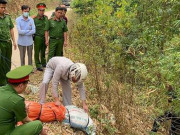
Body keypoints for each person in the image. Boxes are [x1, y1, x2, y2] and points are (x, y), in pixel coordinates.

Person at [0, 65, 47, 135]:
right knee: (38, 124)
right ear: (20, 85)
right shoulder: (17, 100)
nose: (26, 87)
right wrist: (41, 129)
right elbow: (25, 121)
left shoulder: (1, 89)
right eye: (26, 84)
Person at [0, 0, 16, 86]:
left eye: (4, 7)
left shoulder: (7, 17)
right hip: (1, 43)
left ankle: (8, 79)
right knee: (1, 63)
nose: (3, 9)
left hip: (8, 42)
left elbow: (11, 29)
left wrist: (14, 41)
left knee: (8, 61)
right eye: (1, 7)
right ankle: (2, 82)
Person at [33, 3, 48, 71]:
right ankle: (38, 64)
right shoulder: (34, 19)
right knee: (37, 51)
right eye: (40, 10)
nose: (42, 12)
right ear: (38, 10)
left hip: (44, 37)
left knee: (43, 50)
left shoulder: (46, 18)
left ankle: (43, 62)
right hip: (37, 37)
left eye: (43, 10)